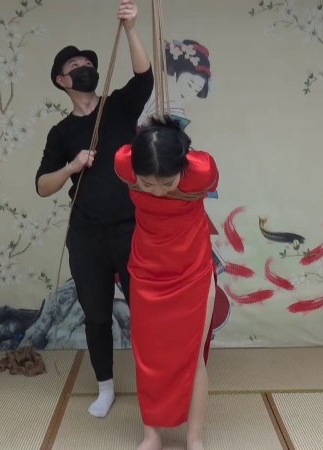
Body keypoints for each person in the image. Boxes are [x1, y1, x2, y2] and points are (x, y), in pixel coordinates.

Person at [34, 0, 151, 418]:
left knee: (146, 311)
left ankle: (155, 385)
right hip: (86, 235)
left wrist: (131, 29)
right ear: (62, 80)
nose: (85, 68)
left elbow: (144, 76)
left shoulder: (117, 106)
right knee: (97, 314)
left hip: (131, 228)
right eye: (76, 65)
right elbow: (42, 186)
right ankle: (105, 388)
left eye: (89, 64)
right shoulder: (61, 132)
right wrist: (71, 166)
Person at [114, 117, 219, 450]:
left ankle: (194, 438)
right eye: (147, 184)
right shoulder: (125, 163)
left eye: (167, 183)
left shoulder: (200, 171)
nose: (157, 191)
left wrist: (171, 141)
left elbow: (193, 158)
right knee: (148, 357)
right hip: (146, 274)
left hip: (192, 273)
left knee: (192, 357)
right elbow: (131, 152)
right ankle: (152, 435)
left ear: (183, 168)